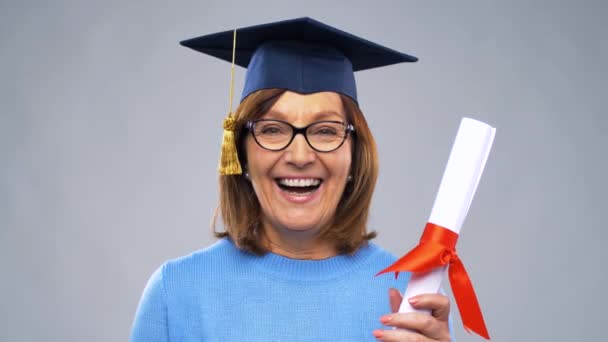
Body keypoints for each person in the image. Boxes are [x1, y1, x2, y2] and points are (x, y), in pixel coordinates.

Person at [131, 17, 452, 341]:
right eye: (272, 129)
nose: (300, 156)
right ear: (241, 153)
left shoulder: (410, 300)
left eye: (326, 131)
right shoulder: (176, 293)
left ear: (355, 154)